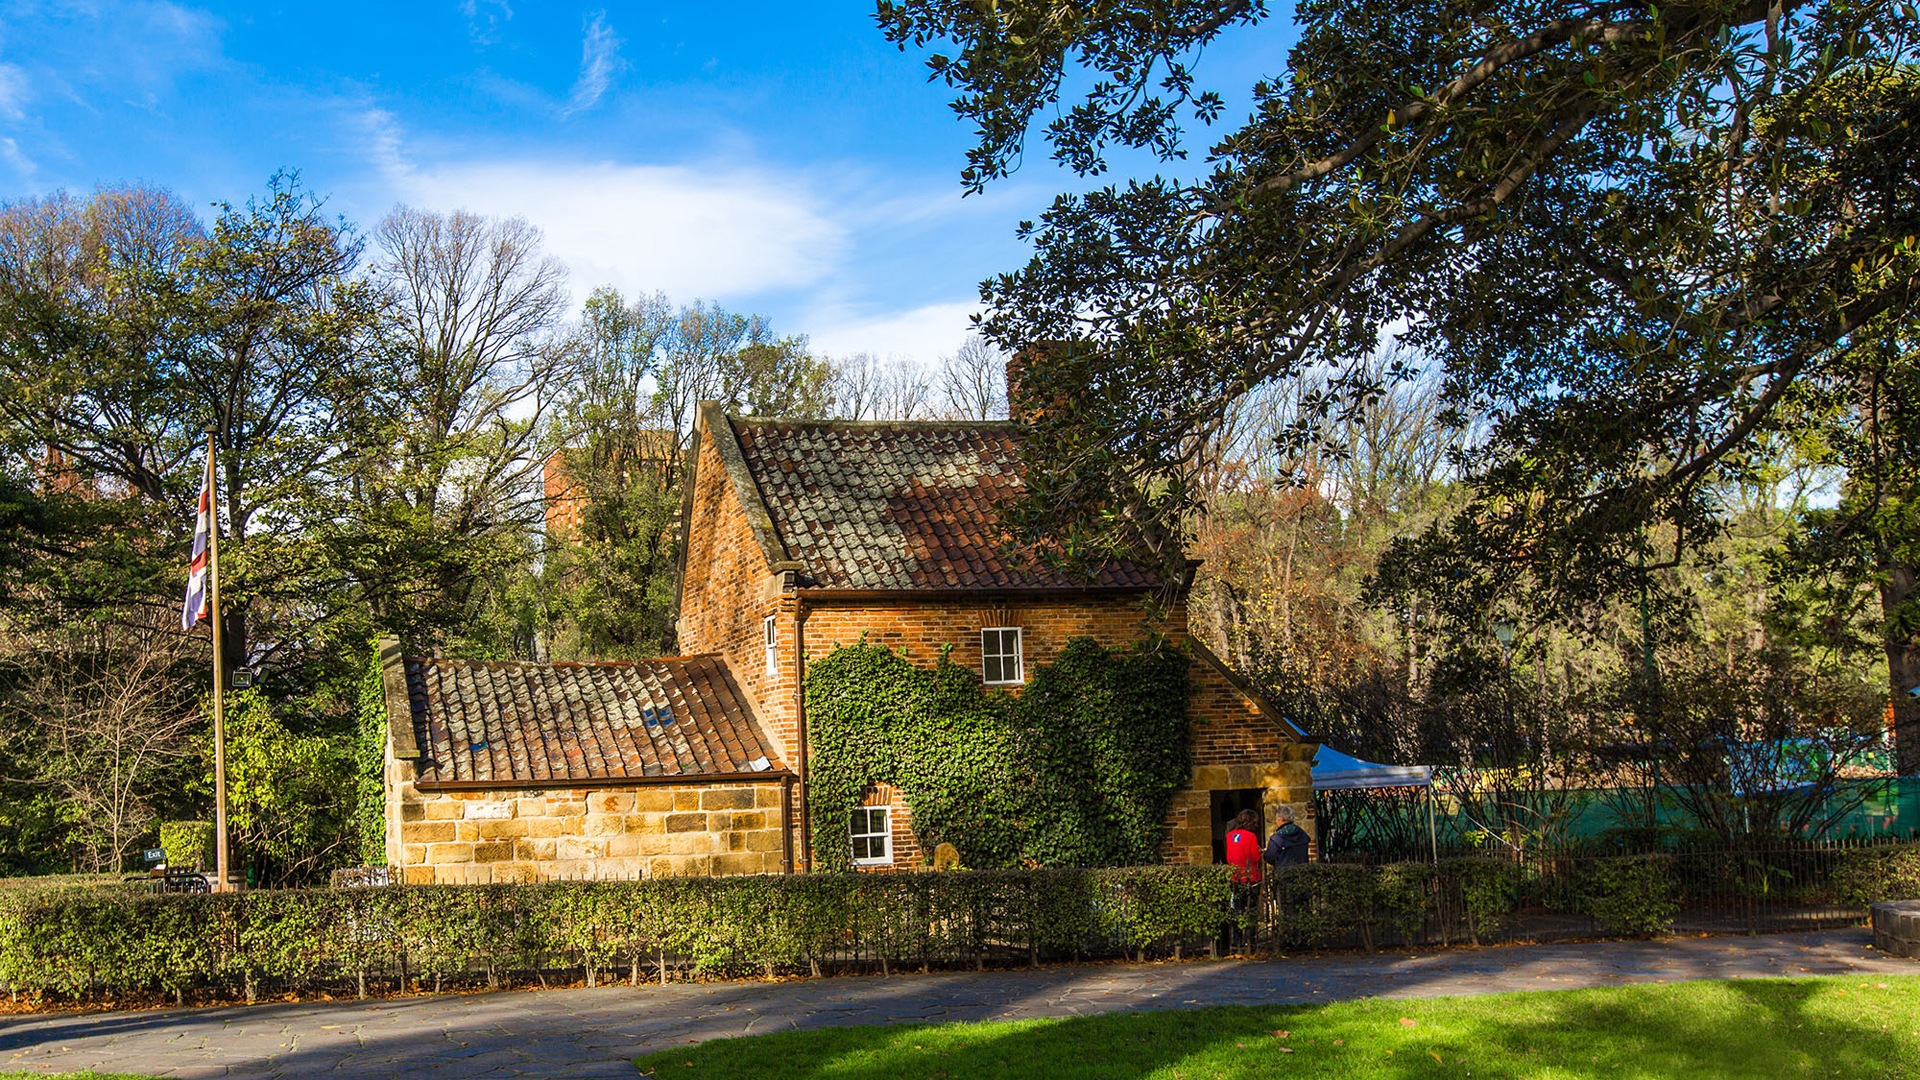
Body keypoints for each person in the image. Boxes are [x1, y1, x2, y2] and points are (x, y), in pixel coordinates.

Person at [1222, 808, 1264, 951]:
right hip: (1251, 878)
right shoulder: (1251, 836)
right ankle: (1251, 940)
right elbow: (1255, 857)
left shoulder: (1230, 836)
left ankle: (1237, 940)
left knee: (1237, 909)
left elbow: (1229, 857)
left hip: (1235, 877)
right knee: (1250, 910)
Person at [1264, 804, 1311, 869]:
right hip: (1302, 873)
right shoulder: (1302, 833)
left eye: (1276, 819)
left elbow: (1270, 856)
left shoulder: (1277, 838)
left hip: (1284, 874)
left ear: (1280, 819)